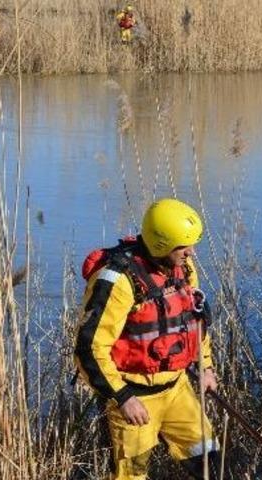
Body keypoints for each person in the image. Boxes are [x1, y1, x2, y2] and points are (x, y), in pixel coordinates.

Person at [74, 198, 220, 480]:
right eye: (183, 246)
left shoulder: (184, 268)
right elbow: (89, 348)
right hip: (133, 396)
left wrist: (206, 366)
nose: (191, 252)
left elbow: (194, 320)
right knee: (132, 474)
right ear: (162, 244)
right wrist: (123, 398)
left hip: (177, 389)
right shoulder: (118, 281)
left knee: (210, 462)